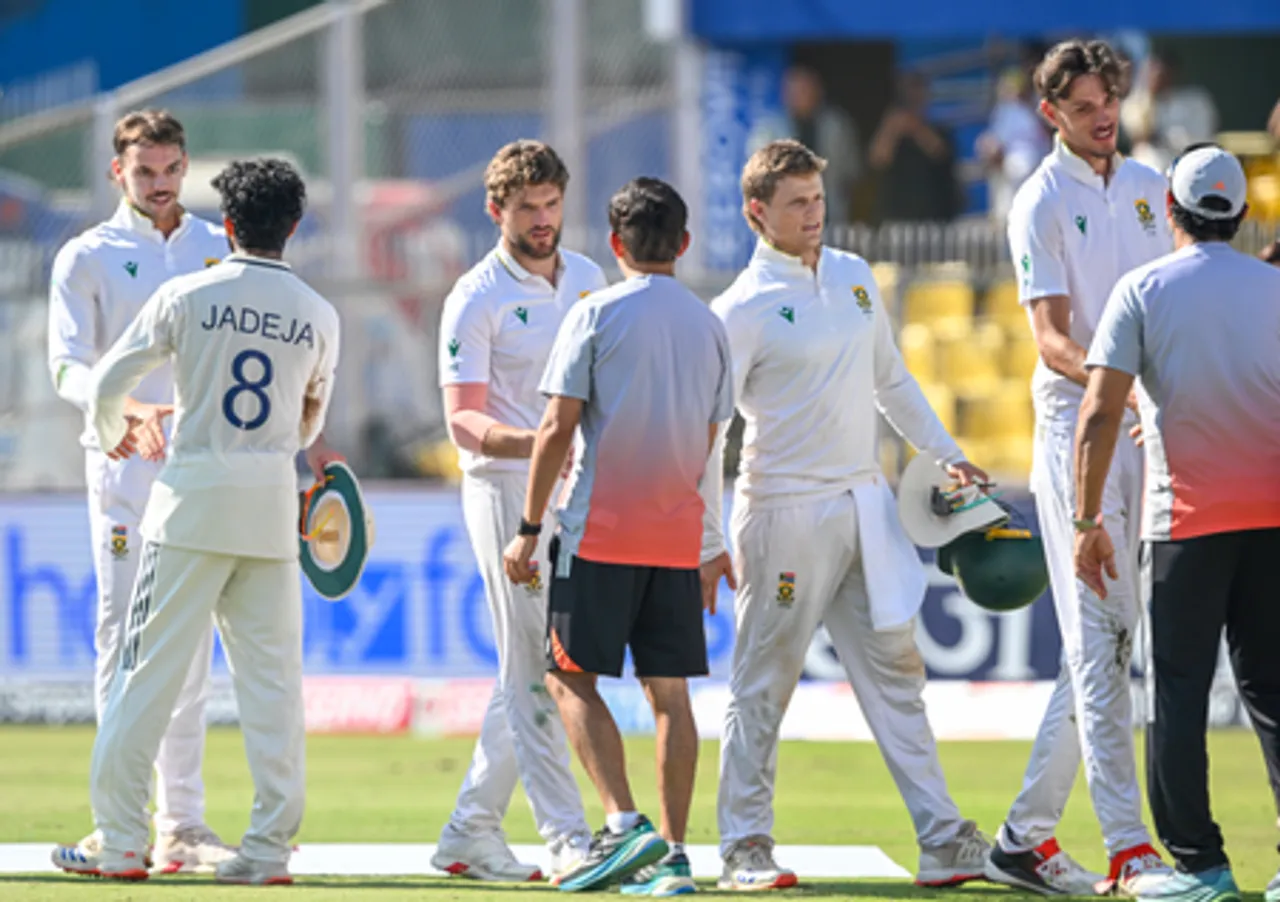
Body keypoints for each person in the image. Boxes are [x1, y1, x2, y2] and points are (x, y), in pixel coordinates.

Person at [704, 138, 992, 891]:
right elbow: (709, 434)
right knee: (764, 681)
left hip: (863, 505)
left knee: (897, 677)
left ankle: (942, 839)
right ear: (756, 212)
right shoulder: (738, 309)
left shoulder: (855, 277)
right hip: (783, 514)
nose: (813, 216)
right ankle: (743, 845)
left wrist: (948, 454)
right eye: (796, 203)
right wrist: (706, 537)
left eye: (819, 200)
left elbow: (892, 383)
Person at [51, 158, 340, 885]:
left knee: (142, 678)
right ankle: (268, 851)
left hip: (188, 508)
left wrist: (113, 424)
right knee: (273, 691)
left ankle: (120, 845)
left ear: (229, 225)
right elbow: (309, 427)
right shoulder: (317, 313)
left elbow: (112, 378)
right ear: (294, 227)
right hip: (269, 514)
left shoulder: (188, 292)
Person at [503, 176, 733, 895]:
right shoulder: (709, 325)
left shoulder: (594, 312)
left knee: (568, 676)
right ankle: (674, 855)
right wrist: (705, 543)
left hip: (599, 531)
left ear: (614, 243)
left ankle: (622, 824)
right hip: (673, 535)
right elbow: (710, 442)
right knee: (671, 696)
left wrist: (528, 528)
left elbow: (555, 428)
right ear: (684, 244)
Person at [987, 39, 1176, 896]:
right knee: (1101, 637)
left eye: (1111, 102)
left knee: (1102, 641)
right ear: (1051, 114)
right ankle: (1131, 848)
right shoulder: (1039, 200)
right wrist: (1126, 391)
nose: (1103, 117)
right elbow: (1052, 340)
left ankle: (1025, 837)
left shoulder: (1148, 189)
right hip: (1081, 426)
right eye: (1085, 106)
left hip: (1144, 422)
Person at [1075, 144, 1280, 902]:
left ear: (1169, 209)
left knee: (1179, 695)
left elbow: (1098, 411)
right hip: (1274, 522)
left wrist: (1084, 517)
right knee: (1275, 693)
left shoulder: (1144, 288)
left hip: (1186, 526)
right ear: (1243, 211)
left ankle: (1200, 866)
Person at [46, 109, 237, 874]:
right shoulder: (86, 256)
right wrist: (120, 405)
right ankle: (115, 814)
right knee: (122, 641)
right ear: (116, 174)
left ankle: (182, 824)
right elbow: (65, 365)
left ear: (184, 165)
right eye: (143, 172)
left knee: (188, 645)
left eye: (169, 170)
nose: (159, 186)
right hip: (123, 465)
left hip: (197, 468)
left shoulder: (218, 249)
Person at [434, 139, 602, 883]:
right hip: (503, 491)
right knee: (535, 669)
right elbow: (462, 421)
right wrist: (541, 443)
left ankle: (469, 829)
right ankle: (567, 837)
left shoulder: (590, 278)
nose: (542, 219)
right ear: (495, 209)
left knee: (535, 665)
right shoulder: (475, 295)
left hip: (579, 493)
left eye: (552, 203)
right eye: (527, 206)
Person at [747, 65, 862, 226]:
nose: (800, 96)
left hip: (830, 213)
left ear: (818, 91)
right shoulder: (770, 129)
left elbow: (851, 171)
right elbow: (758, 172)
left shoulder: (836, 126)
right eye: (794, 91)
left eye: (805, 89)